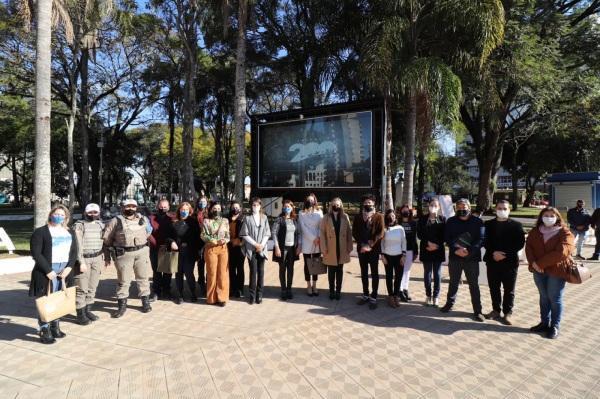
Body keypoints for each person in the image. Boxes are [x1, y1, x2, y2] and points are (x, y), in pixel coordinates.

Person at [29, 205, 77, 344]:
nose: (59, 217)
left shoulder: (69, 232)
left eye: (62, 215)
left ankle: (55, 327)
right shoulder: (41, 232)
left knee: (58, 299)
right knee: (46, 301)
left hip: (64, 270)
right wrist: (48, 270)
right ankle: (44, 330)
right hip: (47, 270)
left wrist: (69, 267)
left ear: (66, 217)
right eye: (57, 214)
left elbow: (74, 252)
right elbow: (36, 253)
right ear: (51, 214)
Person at [526, 207, 574, 339]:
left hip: (556, 271)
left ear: (557, 217)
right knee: (543, 297)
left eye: (552, 215)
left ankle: (555, 326)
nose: (548, 217)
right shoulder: (536, 231)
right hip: (538, 270)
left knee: (555, 298)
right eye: (546, 215)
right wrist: (533, 263)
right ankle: (544, 323)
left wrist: (539, 263)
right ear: (541, 217)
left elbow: (562, 252)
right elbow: (528, 246)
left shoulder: (564, 232)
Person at [103, 199, 153, 318]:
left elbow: (149, 232)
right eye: (127, 206)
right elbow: (106, 239)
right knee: (123, 281)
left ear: (136, 207)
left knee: (143, 278)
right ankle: (122, 306)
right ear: (122, 207)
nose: (130, 208)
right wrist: (107, 255)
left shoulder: (143, 219)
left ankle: (145, 302)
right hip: (124, 255)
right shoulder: (115, 221)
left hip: (141, 253)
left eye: (133, 206)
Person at [440, 198, 485, 322]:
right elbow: (447, 237)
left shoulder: (478, 222)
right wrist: (455, 249)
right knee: (453, 282)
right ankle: (449, 303)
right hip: (455, 256)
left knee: (474, 285)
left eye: (464, 207)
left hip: (472, 258)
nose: (461, 209)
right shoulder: (451, 221)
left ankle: (478, 310)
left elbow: (481, 239)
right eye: (459, 207)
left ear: (469, 208)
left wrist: (469, 251)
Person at [482, 200, 525, 325]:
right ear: (495, 209)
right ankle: (496, 310)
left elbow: (519, 243)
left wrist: (504, 254)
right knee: (494, 287)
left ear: (509, 210)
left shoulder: (517, 225)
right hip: (492, 260)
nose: (502, 210)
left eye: (505, 208)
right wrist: (493, 253)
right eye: (499, 208)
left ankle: (508, 313)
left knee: (509, 289)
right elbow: (485, 240)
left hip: (510, 262)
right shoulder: (488, 224)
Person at [73, 203, 106, 325]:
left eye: (95, 212)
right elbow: (78, 246)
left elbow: (104, 242)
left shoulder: (100, 225)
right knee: (82, 288)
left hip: (97, 258)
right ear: (85, 213)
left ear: (99, 213)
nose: (93, 214)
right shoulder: (79, 226)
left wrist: (105, 258)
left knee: (92, 286)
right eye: (90, 212)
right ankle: (80, 314)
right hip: (84, 259)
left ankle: (88, 310)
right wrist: (80, 262)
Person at [352, 194, 385, 310]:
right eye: (366, 203)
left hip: (373, 250)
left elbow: (381, 232)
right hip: (362, 249)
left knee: (374, 273)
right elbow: (354, 232)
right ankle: (365, 294)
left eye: (370, 203)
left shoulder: (379, 216)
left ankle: (374, 296)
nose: (368, 205)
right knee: (364, 272)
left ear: (374, 204)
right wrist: (362, 244)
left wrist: (371, 244)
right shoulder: (358, 217)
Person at [320, 198, 353, 301]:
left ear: (341, 206)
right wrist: (324, 248)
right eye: (334, 204)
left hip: (341, 248)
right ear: (331, 206)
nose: (336, 206)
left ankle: (338, 291)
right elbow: (322, 233)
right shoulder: (326, 217)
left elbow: (349, 232)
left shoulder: (345, 216)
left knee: (340, 271)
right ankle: (331, 291)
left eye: (338, 204)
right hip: (330, 248)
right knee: (331, 272)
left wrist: (349, 246)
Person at [167, 202, 200, 304]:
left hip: (189, 253)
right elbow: (168, 236)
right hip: (177, 252)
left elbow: (198, 238)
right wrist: (171, 242)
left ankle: (193, 293)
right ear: (179, 210)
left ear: (189, 211)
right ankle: (180, 294)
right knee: (178, 274)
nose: (184, 211)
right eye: (182, 209)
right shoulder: (174, 222)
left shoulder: (193, 222)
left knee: (189, 274)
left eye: (186, 210)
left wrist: (196, 251)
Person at [240, 197, 271, 304]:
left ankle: (260, 295)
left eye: (257, 205)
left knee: (261, 272)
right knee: (253, 272)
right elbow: (244, 234)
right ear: (251, 206)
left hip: (261, 249)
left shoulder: (264, 218)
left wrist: (261, 245)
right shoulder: (247, 219)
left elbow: (267, 233)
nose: (255, 207)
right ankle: (252, 295)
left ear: (260, 206)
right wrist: (255, 244)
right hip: (251, 249)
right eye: (253, 205)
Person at [417, 198, 446, 307]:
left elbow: (444, 235)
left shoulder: (443, 219)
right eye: (431, 205)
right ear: (428, 206)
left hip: (438, 250)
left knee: (437, 274)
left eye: (436, 205)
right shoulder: (422, 219)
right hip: (426, 249)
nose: (433, 207)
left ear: (439, 208)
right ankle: (428, 295)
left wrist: (436, 245)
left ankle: (436, 296)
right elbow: (419, 234)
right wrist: (429, 243)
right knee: (427, 274)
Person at [200, 201, 230, 307]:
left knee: (223, 273)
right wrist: (211, 239)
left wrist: (225, 240)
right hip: (211, 248)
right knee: (212, 273)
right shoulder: (206, 221)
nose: (216, 211)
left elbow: (228, 235)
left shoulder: (225, 221)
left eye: (218, 209)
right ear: (211, 209)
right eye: (214, 209)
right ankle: (211, 298)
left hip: (222, 248)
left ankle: (222, 298)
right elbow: (203, 234)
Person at [271, 200, 300, 300]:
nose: (287, 208)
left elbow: (298, 233)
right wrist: (277, 247)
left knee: (290, 269)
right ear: (283, 208)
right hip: (282, 248)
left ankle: (289, 289)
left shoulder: (295, 219)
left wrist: (299, 245)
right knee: (282, 269)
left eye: (289, 206)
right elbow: (274, 233)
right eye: (285, 206)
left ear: (292, 208)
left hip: (292, 248)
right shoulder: (279, 219)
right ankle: (283, 289)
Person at [148, 199, 175, 301]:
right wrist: (152, 240)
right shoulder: (151, 218)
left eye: (165, 207)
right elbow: (147, 231)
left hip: (168, 248)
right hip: (155, 248)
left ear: (168, 207)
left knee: (168, 272)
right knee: (157, 271)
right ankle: (156, 291)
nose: (162, 209)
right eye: (161, 207)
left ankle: (167, 291)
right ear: (157, 206)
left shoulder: (172, 218)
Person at [298, 193, 323, 296]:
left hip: (318, 241)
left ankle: (315, 285)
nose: (310, 202)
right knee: (307, 265)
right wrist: (313, 238)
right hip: (307, 242)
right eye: (309, 200)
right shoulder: (301, 213)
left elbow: (321, 226)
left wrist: (318, 238)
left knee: (316, 264)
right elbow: (303, 228)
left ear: (315, 201)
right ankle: (308, 285)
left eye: (312, 200)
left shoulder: (319, 212)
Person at [380, 209, 406, 308]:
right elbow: (382, 243)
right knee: (389, 276)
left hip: (399, 256)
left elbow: (404, 242)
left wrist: (404, 255)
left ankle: (396, 296)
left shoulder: (400, 228)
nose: (392, 218)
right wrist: (382, 256)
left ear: (396, 217)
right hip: (387, 256)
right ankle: (390, 296)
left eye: (393, 216)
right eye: (389, 216)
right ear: (386, 217)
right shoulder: (384, 229)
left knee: (398, 277)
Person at [397, 204, 418, 302]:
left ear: (409, 212)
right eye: (403, 210)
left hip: (410, 250)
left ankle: (405, 289)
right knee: (400, 270)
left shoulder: (413, 223)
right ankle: (399, 290)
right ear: (401, 212)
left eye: (407, 211)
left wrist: (416, 251)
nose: (405, 212)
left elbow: (414, 238)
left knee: (407, 271)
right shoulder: (398, 222)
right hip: (399, 250)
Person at [228, 201, 246, 298]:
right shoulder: (227, 219)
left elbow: (246, 232)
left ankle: (240, 289)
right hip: (230, 246)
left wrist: (240, 241)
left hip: (240, 247)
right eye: (233, 207)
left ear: (240, 208)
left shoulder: (243, 218)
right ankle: (233, 288)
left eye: (237, 207)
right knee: (231, 269)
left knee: (240, 269)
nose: (235, 209)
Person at [195, 196, 209, 296]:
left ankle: (208, 282)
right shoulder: (195, 213)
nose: (202, 203)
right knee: (200, 263)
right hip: (198, 241)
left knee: (209, 263)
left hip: (208, 242)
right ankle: (201, 282)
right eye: (200, 201)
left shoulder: (209, 213)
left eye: (204, 201)